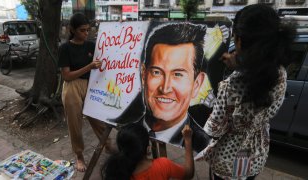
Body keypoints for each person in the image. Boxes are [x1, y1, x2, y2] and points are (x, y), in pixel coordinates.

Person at [195, 4, 296, 180]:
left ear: (239, 41)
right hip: (256, 154)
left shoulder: (233, 85)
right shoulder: (280, 73)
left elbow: (215, 128)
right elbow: (259, 71)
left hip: (228, 159)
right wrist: (241, 63)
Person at [140, 22, 211, 153]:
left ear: (197, 84)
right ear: (144, 75)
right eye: (156, 72)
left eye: (178, 74)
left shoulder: (203, 144)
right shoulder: (130, 128)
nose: (165, 88)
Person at [58, 13, 112, 172]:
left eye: (88, 30)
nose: (86, 33)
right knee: (75, 124)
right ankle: (79, 155)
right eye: (82, 30)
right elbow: (66, 76)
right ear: (72, 30)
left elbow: (110, 49)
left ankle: (108, 145)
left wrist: (120, 29)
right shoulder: (65, 48)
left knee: (98, 119)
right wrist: (88, 67)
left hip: (91, 85)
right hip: (72, 87)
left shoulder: (91, 45)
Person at [101, 123, 194, 180]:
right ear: (148, 149)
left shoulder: (116, 172)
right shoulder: (162, 166)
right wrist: (188, 140)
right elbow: (188, 173)